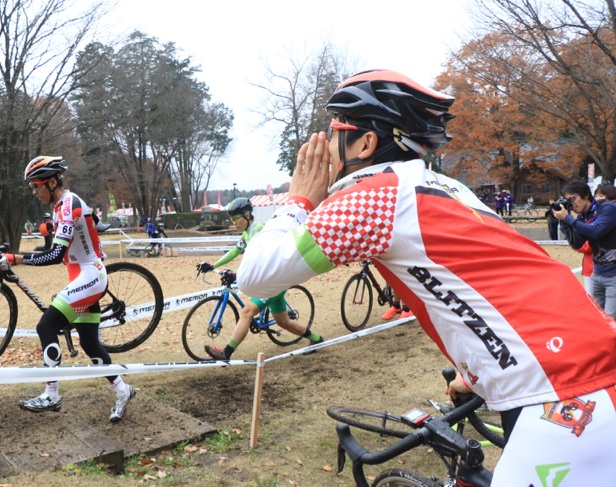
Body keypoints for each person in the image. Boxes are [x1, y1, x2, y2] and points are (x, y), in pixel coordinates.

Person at [236, 69, 616, 485]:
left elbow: (256, 277)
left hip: (561, 387)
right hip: (581, 358)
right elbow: (490, 279)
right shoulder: (447, 187)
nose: (324, 144)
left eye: (333, 130)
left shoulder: (372, 194)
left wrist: (299, 200)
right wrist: (474, 372)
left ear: (365, 142)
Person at [0, 156, 135, 422]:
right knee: (91, 344)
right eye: (32, 187)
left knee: (45, 327)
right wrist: (16, 256)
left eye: (37, 186)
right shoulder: (58, 207)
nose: (34, 192)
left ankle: (52, 393)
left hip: (90, 275)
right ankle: (124, 391)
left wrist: (15, 258)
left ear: (52, 182)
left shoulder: (69, 206)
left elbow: (55, 255)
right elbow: (53, 250)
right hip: (83, 276)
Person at [196, 197, 324, 361]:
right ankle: (316, 339)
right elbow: (234, 252)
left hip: (272, 279)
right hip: (272, 279)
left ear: (248, 216)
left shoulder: (259, 230)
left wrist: (236, 274)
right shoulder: (247, 233)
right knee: (283, 322)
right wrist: (213, 265)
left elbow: (262, 261)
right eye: (231, 219)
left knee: (247, 311)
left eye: (236, 219)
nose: (234, 223)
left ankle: (226, 353)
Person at [555, 180, 616, 319]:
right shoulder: (583, 216)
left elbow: (596, 231)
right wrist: (563, 221)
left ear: (586, 195)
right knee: (597, 317)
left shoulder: (607, 208)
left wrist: (568, 219)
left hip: (614, 274)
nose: (572, 204)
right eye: (568, 201)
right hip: (598, 273)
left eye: (573, 198)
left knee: (611, 319)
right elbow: (577, 244)